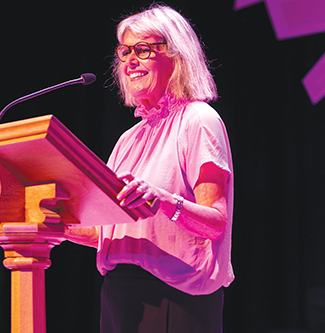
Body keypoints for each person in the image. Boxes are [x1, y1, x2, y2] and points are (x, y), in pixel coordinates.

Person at [62, 4, 234, 332]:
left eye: (143, 49)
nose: (130, 60)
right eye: (124, 51)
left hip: (174, 295)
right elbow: (108, 231)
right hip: (119, 293)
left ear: (177, 55)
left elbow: (216, 224)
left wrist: (164, 201)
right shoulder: (128, 139)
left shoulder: (199, 120)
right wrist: (47, 224)